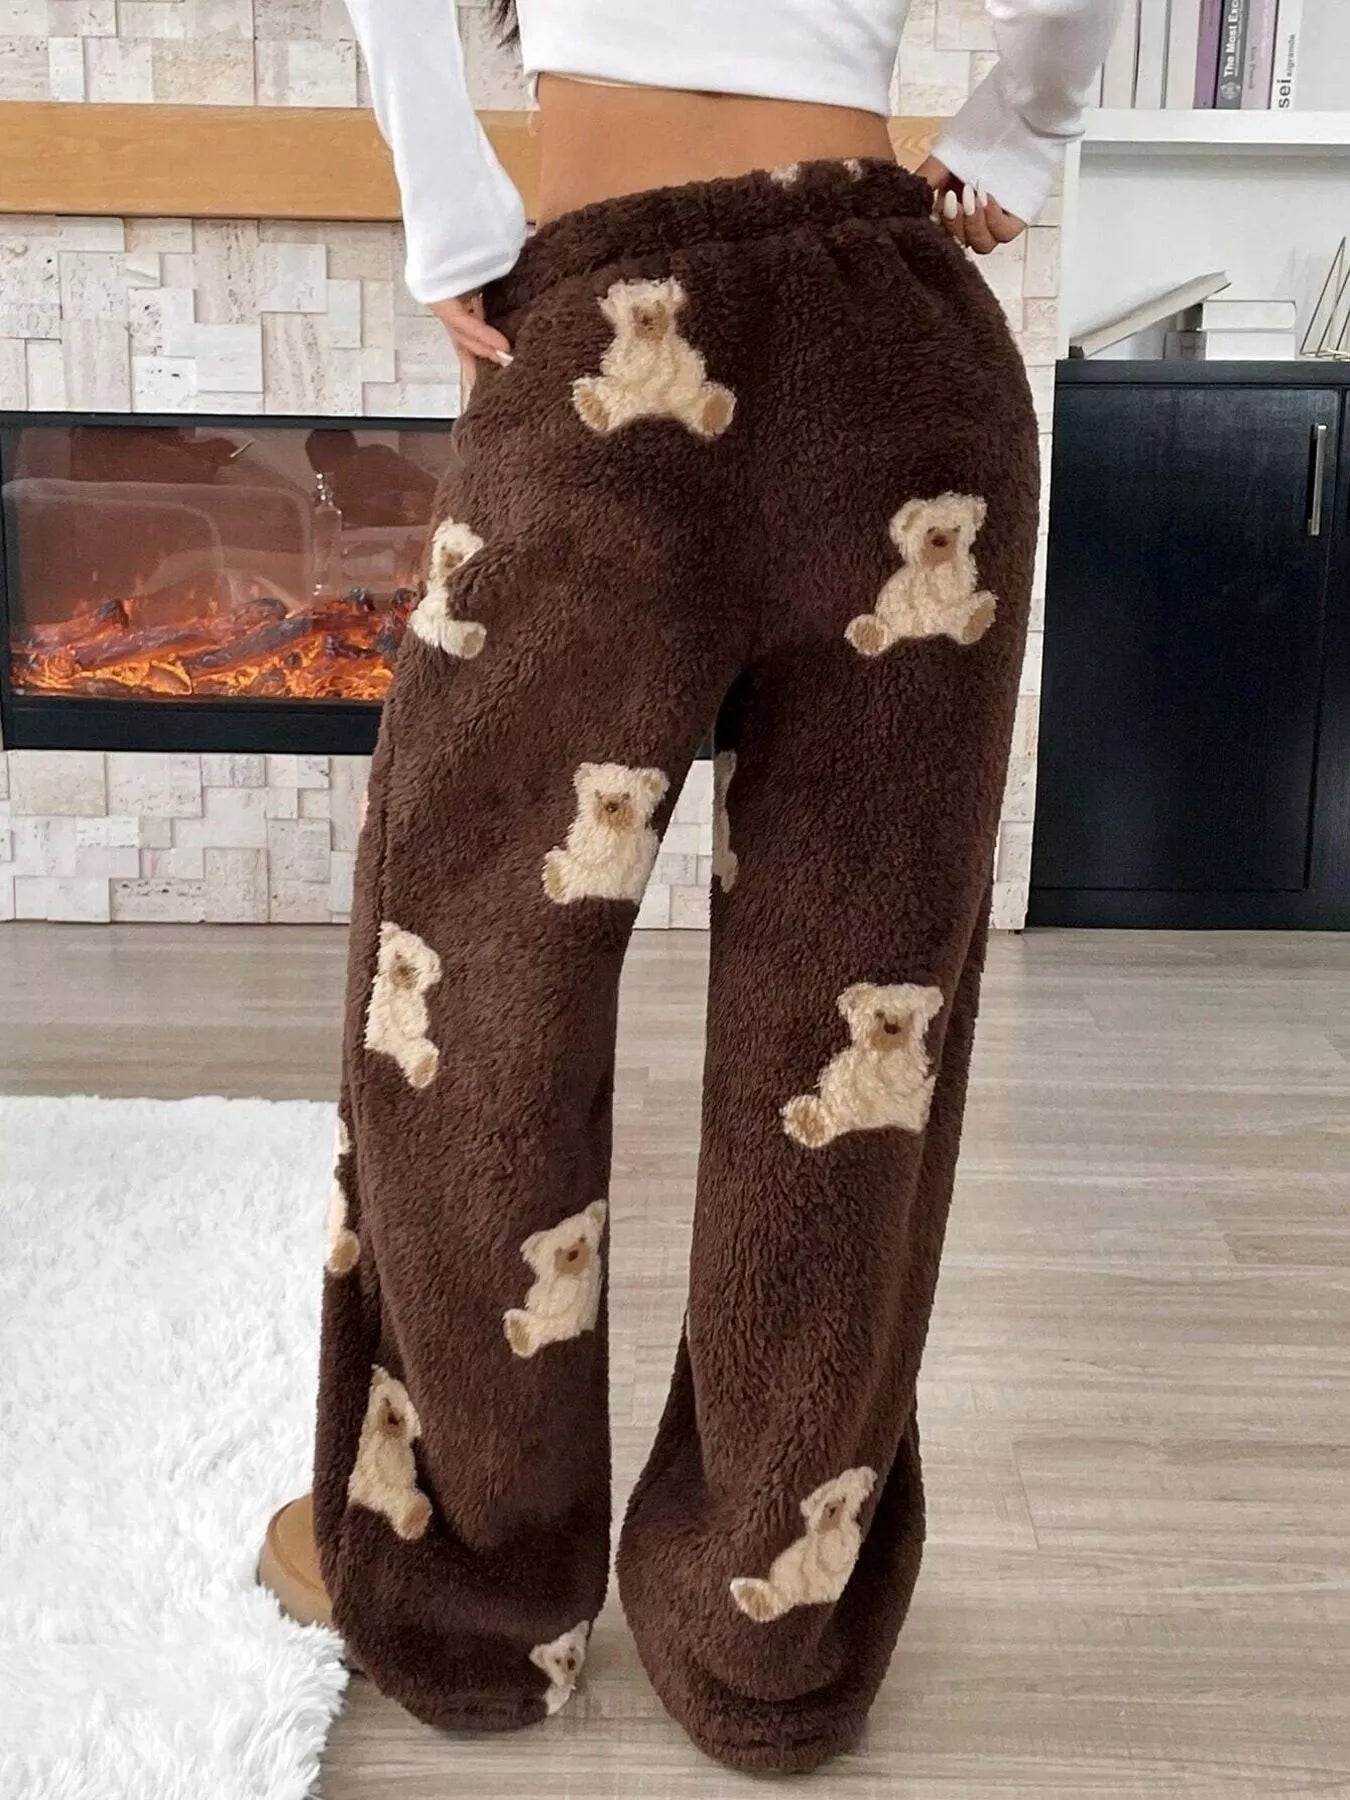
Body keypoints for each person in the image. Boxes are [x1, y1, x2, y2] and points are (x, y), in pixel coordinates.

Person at [259, 0, 1120, 1772]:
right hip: (905, 358)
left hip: (603, 336)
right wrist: (1023, 123)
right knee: (851, 1053)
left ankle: (474, 1586)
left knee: (470, 1000)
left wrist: (450, 214)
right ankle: (769, 1635)